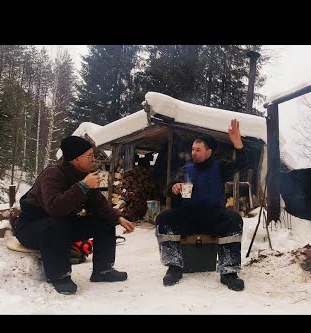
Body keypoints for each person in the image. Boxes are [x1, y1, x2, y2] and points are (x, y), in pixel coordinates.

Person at [14, 136, 135, 295]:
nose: (94, 159)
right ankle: (60, 276)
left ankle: (103, 270)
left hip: (61, 227)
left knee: (104, 222)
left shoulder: (83, 175)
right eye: (90, 156)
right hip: (32, 229)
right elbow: (55, 208)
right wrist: (83, 186)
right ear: (76, 159)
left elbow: (99, 203)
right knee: (55, 224)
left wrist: (118, 217)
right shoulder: (52, 175)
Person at [155, 118, 247, 291]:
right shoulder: (186, 169)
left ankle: (228, 272)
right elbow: (168, 188)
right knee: (164, 218)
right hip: (189, 216)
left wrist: (238, 145)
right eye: (192, 149)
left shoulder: (220, 167)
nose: (194, 153)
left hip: (214, 216)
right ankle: (174, 267)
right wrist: (173, 188)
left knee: (234, 219)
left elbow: (240, 165)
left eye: (198, 150)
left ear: (209, 152)